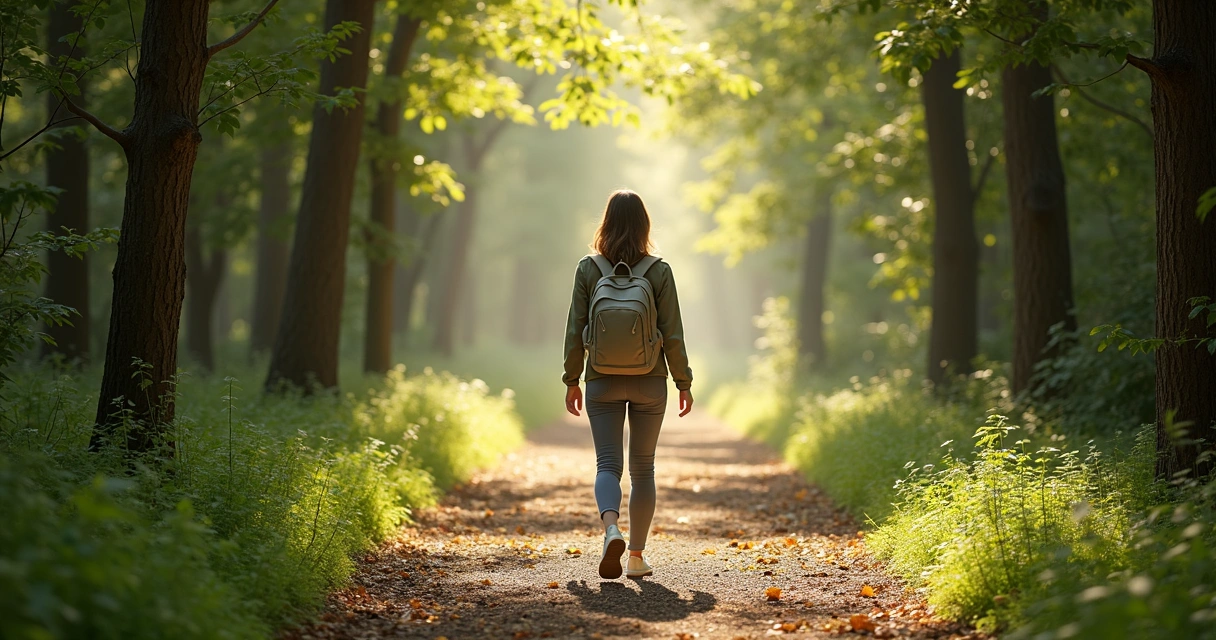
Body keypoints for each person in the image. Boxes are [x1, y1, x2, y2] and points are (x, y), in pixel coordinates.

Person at [562, 189, 694, 580]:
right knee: (643, 468)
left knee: (607, 463)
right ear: (644, 225)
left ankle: (611, 530)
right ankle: (635, 557)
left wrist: (572, 379)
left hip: (601, 380)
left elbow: (574, 330)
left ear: (605, 222)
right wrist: (683, 382)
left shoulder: (588, 267)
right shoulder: (659, 270)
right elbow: (673, 334)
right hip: (650, 381)